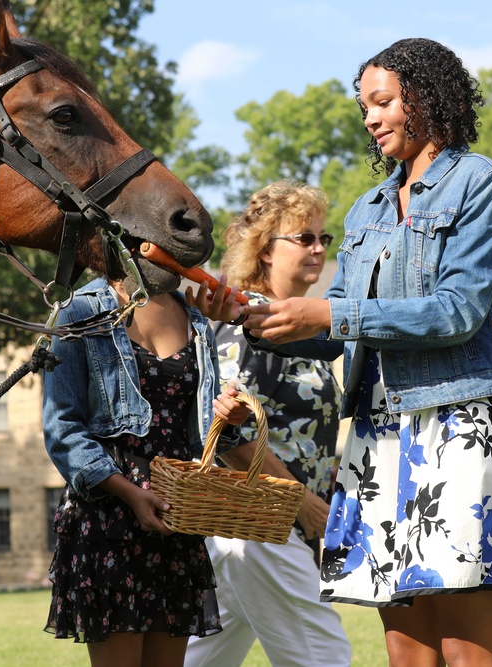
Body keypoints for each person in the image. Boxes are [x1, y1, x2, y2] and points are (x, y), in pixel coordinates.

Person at [199, 38, 492, 667]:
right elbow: (330, 331)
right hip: (380, 436)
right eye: (364, 107)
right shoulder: (367, 209)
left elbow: (459, 310)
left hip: (457, 421)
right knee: (407, 649)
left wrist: (334, 311)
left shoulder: (477, 183)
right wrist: (250, 319)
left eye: (382, 102)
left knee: (466, 645)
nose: (370, 118)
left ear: (424, 97)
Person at [183, 181, 352, 667]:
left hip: (254, 530)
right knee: (324, 657)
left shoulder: (298, 324)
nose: (319, 248)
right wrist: (304, 504)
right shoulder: (250, 324)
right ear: (264, 249)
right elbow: (230, 433)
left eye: (324, 238)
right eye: (304, 238)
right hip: (261, 525)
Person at [41, 275, 248, 667]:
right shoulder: (79, 310)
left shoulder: (195, 319)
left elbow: (202, 434)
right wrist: (132, 495)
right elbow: (62, 429)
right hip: (109, 518)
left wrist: (229, 418)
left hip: (174, 520)